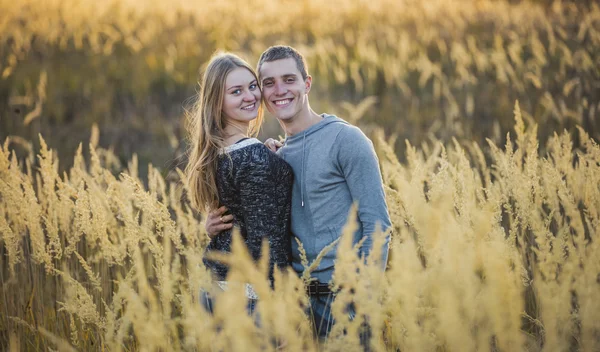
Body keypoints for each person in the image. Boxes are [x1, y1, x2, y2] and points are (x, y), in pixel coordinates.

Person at [205, 45, 391, 340]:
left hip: (344, 303)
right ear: (263, 94)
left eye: (289, 79)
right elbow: (260, 220)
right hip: (296, 303)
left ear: (307, 83)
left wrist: (362, 298)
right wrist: (209, 225)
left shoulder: (347, 139)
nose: (280, 90)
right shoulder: (275, 157)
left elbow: (379, 226)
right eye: (268, 83)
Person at [184, 52, 294, 314]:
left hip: (215, 285)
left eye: (252, 86)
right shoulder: (252, 156)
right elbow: (266, 242)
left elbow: (240, 211)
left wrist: (269, 158)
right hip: (248, 296)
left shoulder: (217, 151)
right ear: (217, 102)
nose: (250, 96)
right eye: (236, 91)